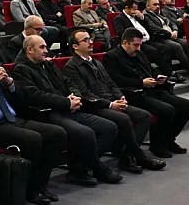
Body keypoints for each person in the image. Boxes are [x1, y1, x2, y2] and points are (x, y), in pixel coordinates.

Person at [0, 36, 67, 203]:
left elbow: (20, 98)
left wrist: (10, 83)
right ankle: (29, 189)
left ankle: (39, 183)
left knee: (57, 133)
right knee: (33, 139)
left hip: (14, 117)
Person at [12, 35, 122, 186]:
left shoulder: (47, 64)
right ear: (29, 50)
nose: (47, 50)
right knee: (86, 133)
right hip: (48, 113)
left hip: (68, 108)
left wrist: (75, 96)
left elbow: (67, 81)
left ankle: (79, 166)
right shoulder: (21, 70)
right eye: (42, 47)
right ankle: (97, 168)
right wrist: (66, 102)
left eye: (46, 46)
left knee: (109, 127)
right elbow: (37, 96)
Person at [63, 29, 166, 173]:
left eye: (90, 39)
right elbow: (85, 94)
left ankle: (127, 157)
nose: (91, 42)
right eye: (85, 40)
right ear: (75, 46)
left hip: (111, 101)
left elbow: (111, 83)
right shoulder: (72, 66)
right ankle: (140, 157)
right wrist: (111, 104)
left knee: (145, 116)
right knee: (123, 119)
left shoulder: (96, 62)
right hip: (95, 106)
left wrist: (119, 97)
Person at [102, 28, 189, 158]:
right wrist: (141, 82)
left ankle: (168, 139)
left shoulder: (138, 54)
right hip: (134, 94)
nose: (138, 48)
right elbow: (115, 80)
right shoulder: (111, 57)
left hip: (153, 89)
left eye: (140, 44)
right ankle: (157, 145)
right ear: (125, 43)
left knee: (187, 105)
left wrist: (158, 76)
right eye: (135, 45)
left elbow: (150, 69)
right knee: (167, 110)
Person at [112, 0, 175, 78]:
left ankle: (165, 71)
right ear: (127, 8)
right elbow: (121, 33)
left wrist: (142, 18)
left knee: (166, 49)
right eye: (134, 9)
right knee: (153, 51)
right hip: (136, 43)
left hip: (148, 40)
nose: (136, 11)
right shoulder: (119, 18)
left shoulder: (137, 16)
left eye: (136, 9)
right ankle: (168, 73)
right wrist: (136, 34)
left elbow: (147, 27)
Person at [143, 0, 189, 75]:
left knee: (186, 43)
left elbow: (172, 23)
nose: (157, 6)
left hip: (171, 35)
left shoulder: (160, 13)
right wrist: (169, 34)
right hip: (161, 38)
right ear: (148, 6)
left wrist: (175, 30)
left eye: (158, 4)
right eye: (154, 4)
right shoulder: (146, 15)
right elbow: (154, 28)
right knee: (177, 46)